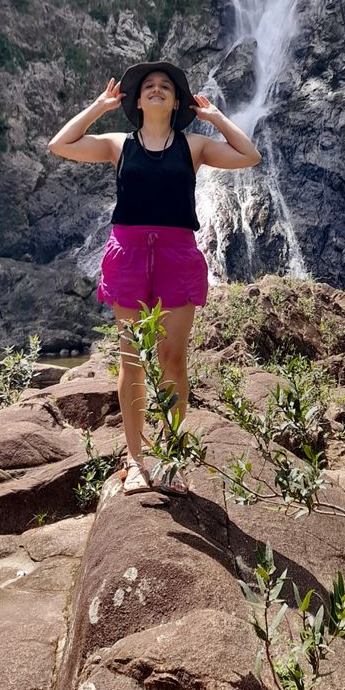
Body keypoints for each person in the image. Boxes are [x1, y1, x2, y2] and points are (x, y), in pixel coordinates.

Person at [48, 60, 261, 494]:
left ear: (178, 100)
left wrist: (216, 117)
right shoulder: (117, 144)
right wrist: (98, 106)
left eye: (166, 86)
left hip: (176, 254)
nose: (157, 89)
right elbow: (60, 144)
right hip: (127, 254)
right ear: (137, 99)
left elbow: (249, 156)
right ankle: (135, 457)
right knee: (131, 359)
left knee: (173, 359)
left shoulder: (196, 146)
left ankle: (170, 455)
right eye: (149, 86)